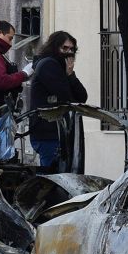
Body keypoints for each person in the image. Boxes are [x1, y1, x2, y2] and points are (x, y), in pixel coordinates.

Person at [29, 31, 88, 170]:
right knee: (53, 179)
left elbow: (81, 97)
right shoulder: (48, 65)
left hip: (60, 133)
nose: (68, 52)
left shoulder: (62, 69)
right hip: (49, 132)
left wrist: (71, 75)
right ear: (54, 47)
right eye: (64, 48)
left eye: (71, 49)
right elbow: (66, 97)